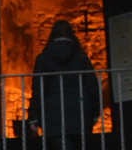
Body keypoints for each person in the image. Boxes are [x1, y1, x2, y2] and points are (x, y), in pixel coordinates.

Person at [27, 20, 100, 149]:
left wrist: (33, 117)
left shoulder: (43, 58)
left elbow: (38, 89)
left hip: (53, 114)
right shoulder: (81, 57)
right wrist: (94, 113)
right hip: (80, 112)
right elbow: (92, 86)